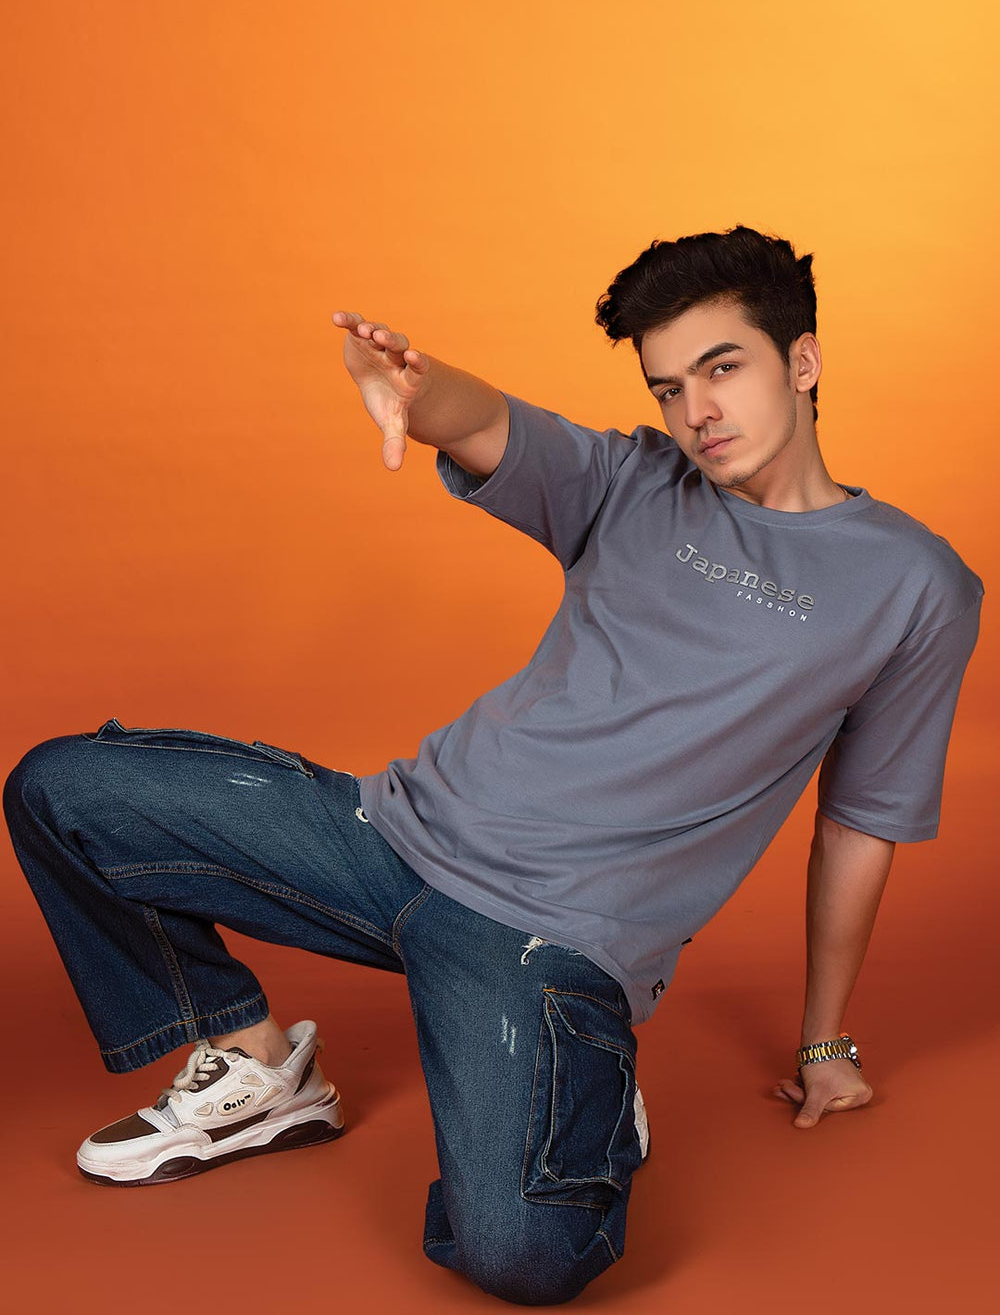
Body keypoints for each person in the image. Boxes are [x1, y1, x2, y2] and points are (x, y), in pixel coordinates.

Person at [3, 225, 983, 1306]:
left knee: (524, 1256)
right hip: (383, 838)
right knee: (63, 788)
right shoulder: (630, 481)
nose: (696, 411)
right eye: (668, 388)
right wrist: (411, 388)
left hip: (543, 938)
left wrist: (824, 1042)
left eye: (722, 369)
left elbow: (859, 820)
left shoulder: (915, 586)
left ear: (801, 361)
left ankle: (584, 1090)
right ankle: (258, 1065)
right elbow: (481, 420)